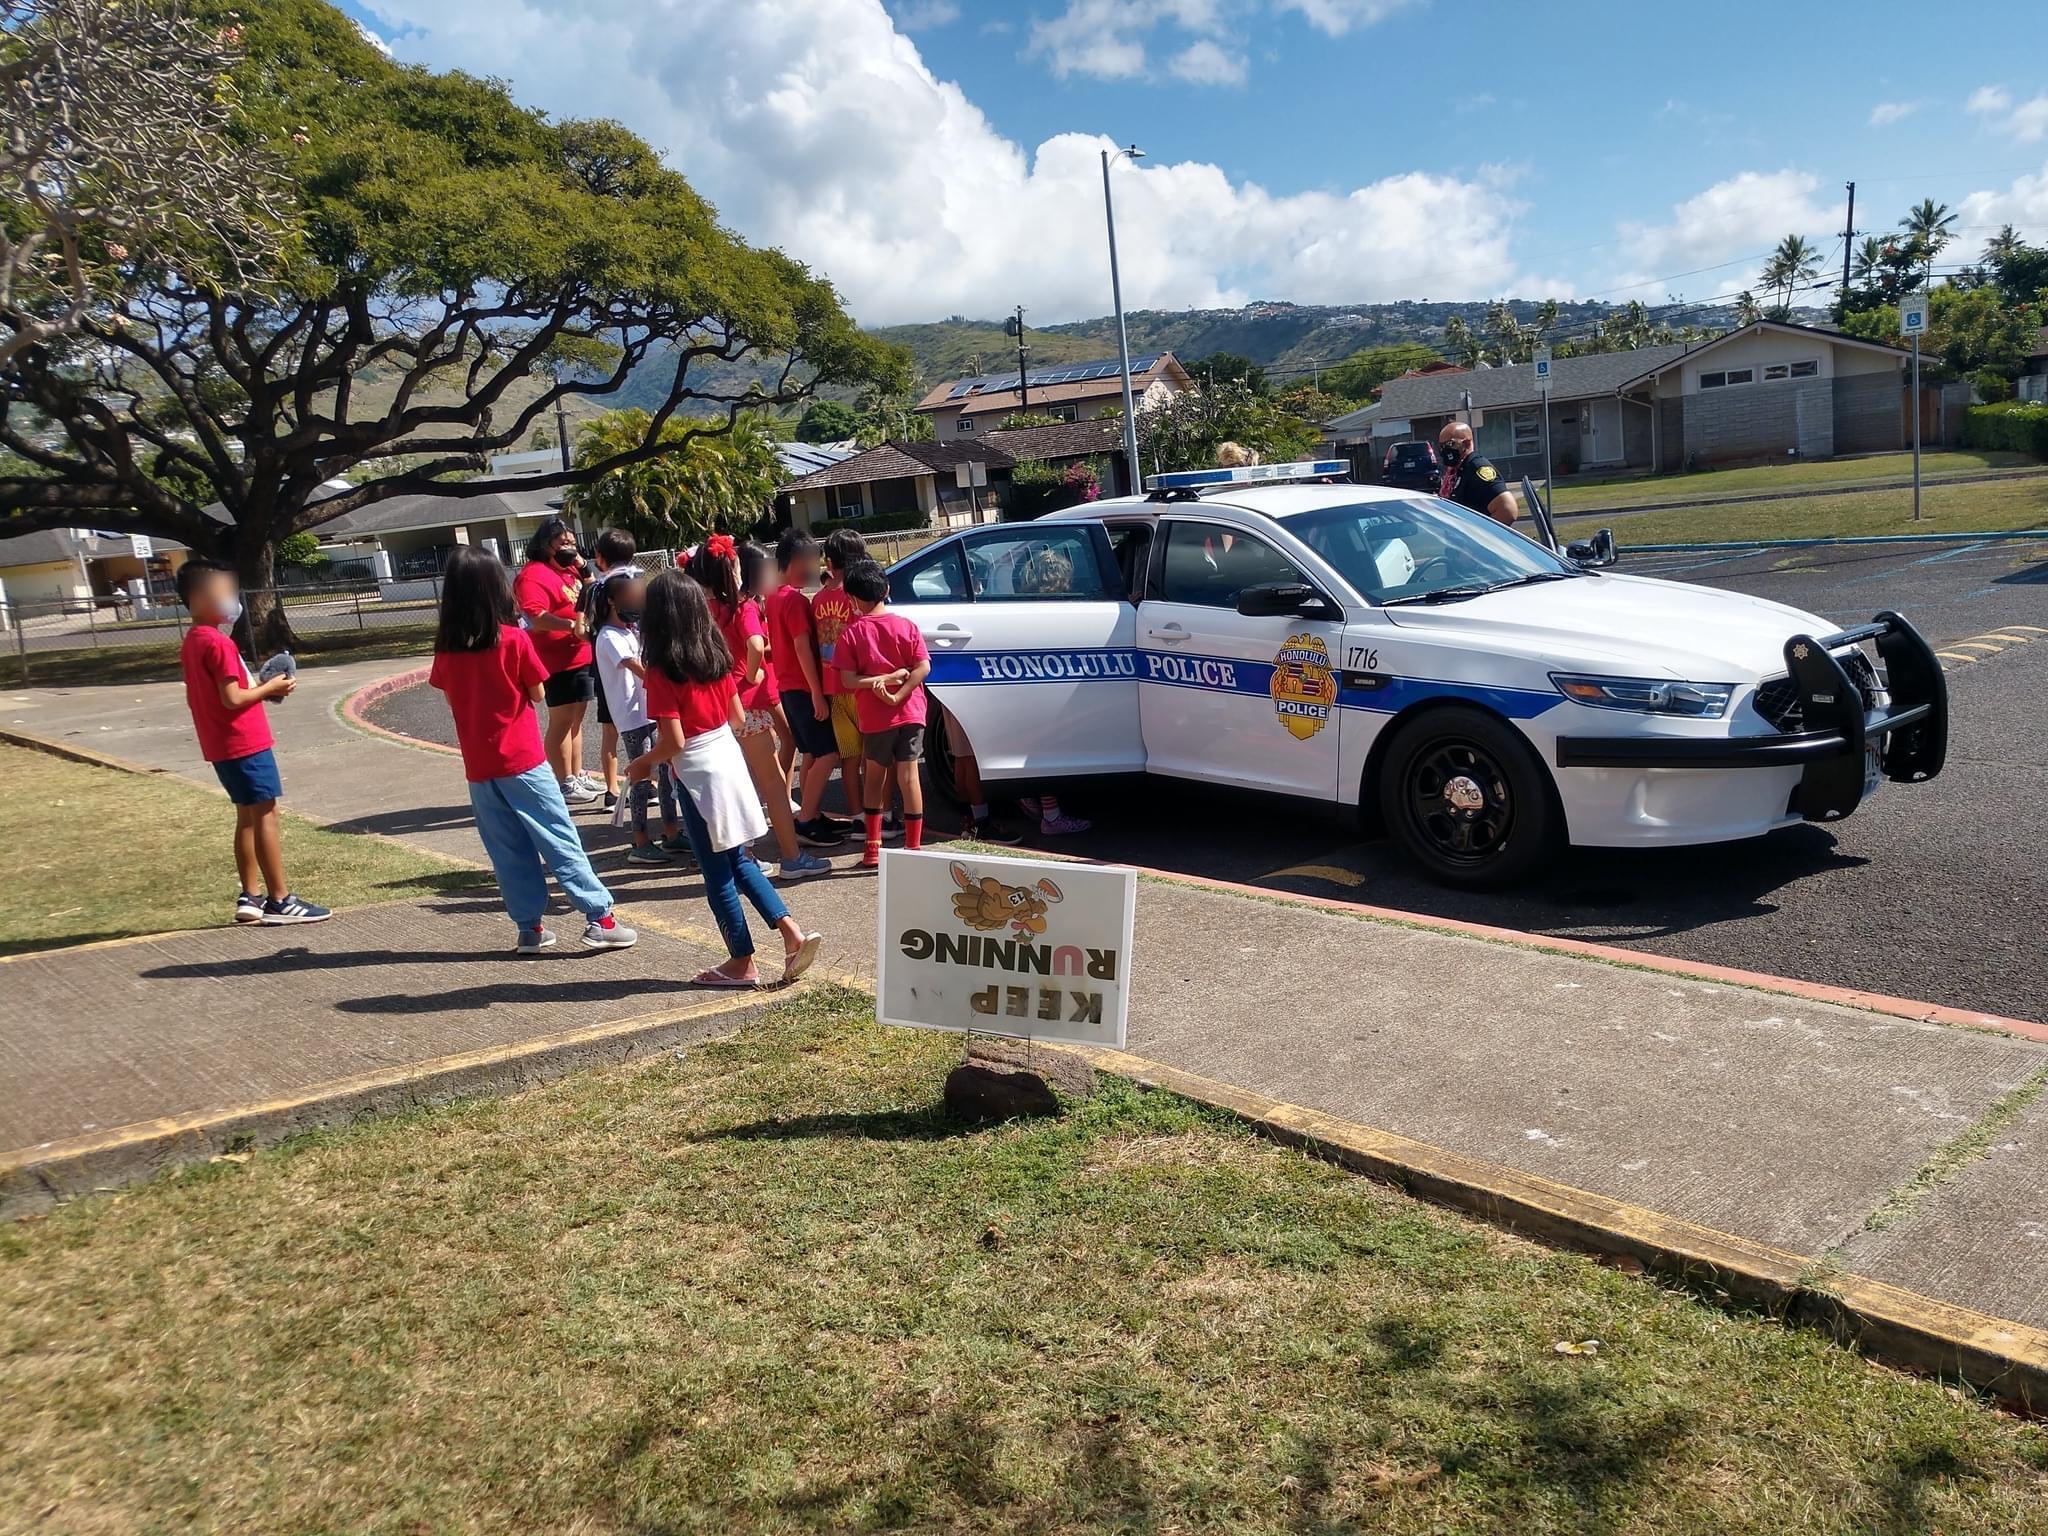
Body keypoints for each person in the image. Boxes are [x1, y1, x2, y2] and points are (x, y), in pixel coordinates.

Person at [428, 547, 637, 955]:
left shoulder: (447, 649)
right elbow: (538, 692)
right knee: (559, 838)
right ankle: (600, 918)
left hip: (479, 765)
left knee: (507, 850)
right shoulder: (512, 640)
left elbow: (453, 699)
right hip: (522, 760)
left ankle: (530, 929)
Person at [626, 569, 823, 988]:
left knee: (716, 874)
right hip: (727, 759)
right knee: (739, 859)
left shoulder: (662, 671)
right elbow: (735, 717)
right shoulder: (715, 658)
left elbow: (674, 740)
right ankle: (791, 934)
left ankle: (741, 961)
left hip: (698, 773)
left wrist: (641, 764)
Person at [174, 559, 331, 927]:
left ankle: (251, 895)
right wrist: (270, 689)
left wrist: (259, 690)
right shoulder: (217, 643)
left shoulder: (194, 640)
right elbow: (232, 698)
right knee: (265, 815)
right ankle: (281, 899)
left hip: (221, 745)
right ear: (197, 599)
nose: (231, 599)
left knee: (246, 816)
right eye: (222, 592)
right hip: (244, 743)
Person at [688, 535, 829, 880]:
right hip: (747, 705)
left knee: (735, 784)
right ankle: (792, 858)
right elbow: (754, 642)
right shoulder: (742, 606)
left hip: (717, 708)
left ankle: (745, 855)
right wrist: (753, 672)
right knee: (774, 787)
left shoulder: (701, 608)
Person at [834, 557, 930, 868]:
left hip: (876, 718)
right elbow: (922, 667)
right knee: (909, 778)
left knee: (874, 778)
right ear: (887, 589)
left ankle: (872, 850)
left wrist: (878, 684)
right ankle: (913, 849)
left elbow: (847, 680)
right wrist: (898, 689)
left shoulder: (851, 634)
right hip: (912, 712)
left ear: (851, 599)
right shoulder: (906, 626)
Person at [592, 571, 684, 866]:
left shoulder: (631, 631)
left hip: (650, 710)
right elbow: (641, 670)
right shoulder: (608, 637)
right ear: (611, 601)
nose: (637, 604)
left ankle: (671, 833)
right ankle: (640, 839)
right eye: (631, 598)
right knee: (642, 779)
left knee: (668, 773)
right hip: (632, 718)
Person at [814, 528, 900, 840]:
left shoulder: (820, 598)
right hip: (864, 687)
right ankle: (885, 815)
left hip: (833, 687)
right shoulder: (857, 596)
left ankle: (857, 817)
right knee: (877, 757)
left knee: (849, 758)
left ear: (830, 561)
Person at [764, 529, 847, 849]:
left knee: (812, 752)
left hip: (788, 687)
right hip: (802, 688)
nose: (815, 569)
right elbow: (802, 647)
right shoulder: (795, 600)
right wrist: (817, 692)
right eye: (811, 561)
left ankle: (808, 814)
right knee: (829, 753)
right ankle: (807, 819)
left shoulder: (774, 596)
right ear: (797, 560)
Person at [513, 518, 599, 804]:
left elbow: (590, 595)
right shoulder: (533, 575)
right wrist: (569, 627)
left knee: (577, 720)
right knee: (561, 721)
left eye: (572, 542)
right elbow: (535, 617)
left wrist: (586, 571)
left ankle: (577, 773)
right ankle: (563, 781)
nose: (570, 548)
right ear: (544, 544)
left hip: (581, 656)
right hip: (555, 660)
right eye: (563, 543)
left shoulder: (570, 571)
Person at [585, 527, 641, 813]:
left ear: (600, 556)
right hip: (628, 659)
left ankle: (612, 788)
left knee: (611, 731)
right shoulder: (635, 581)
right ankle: (645, 784)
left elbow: (585, 626)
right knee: (639, 727)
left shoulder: (599, 586)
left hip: (608, 665)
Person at [1436, 420, 1519, 527]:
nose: (1444, 450)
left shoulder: (1477, 467)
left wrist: (1480, 537)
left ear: (1466, 443)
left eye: (1449, 444)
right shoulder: (1457, 470)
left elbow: (1508, 509)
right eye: (1441, 446)